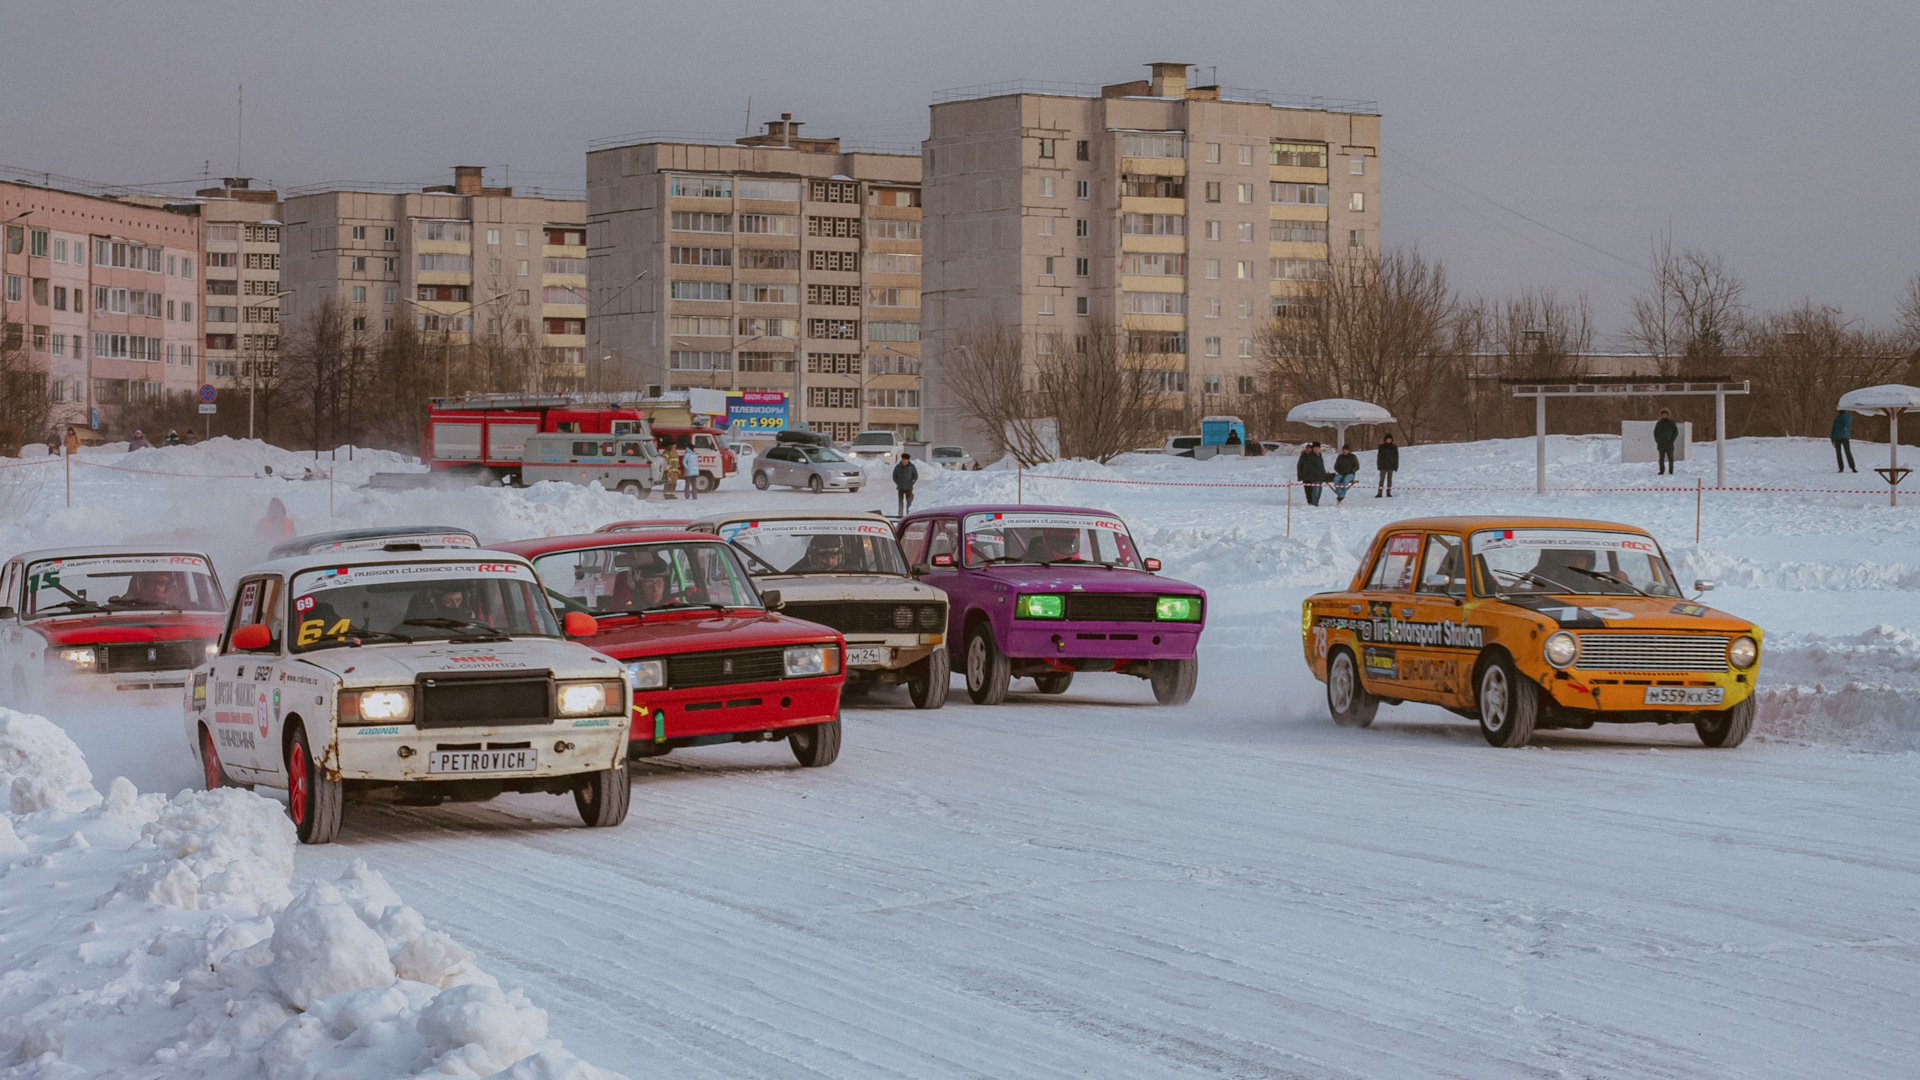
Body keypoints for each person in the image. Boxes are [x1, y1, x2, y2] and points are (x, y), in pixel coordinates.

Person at [1296, 442, 1327, 506]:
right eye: (1315, 448)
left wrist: (1323, 474)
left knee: (1319, 490)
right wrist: (1300, 475)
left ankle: (1316, 501)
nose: (1316, 449)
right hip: (1312, 476)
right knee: (1312, 490)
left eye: (1317, 448)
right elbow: (1302, 466)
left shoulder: (1319, 455)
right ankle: (1313, 502)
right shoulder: (1309, 456)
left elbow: (1321, 466)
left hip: (1320, 476)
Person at [1654, 409, 1679, 475]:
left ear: (1668, 415)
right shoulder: (1659, 423)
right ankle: (1661, 471)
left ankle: (1671, 471)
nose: (1664, 415)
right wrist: (1658, 441)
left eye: (1665, 414)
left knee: (1671, 458)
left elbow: (1676, 432)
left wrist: (1671, 440)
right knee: (1661, 459)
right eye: (1663, 414)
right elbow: (1655, 433)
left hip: (1669, 444)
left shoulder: (1672, 423)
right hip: (1661, 444)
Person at [1375, 433, 1399, 498]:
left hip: (1391, 466)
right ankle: (1379, 493)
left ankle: (1388, 492)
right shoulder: (1381, 447)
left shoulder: (1394, 447)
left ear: (1391, 440)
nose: (1388, 440)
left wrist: (1396, 466)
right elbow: (1379, 457)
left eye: (1389, 439)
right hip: (1383, 466)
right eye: (1387, 439)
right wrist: (1379, 465)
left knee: (1389, 480)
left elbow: (1396, 457)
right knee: (1381, 480)